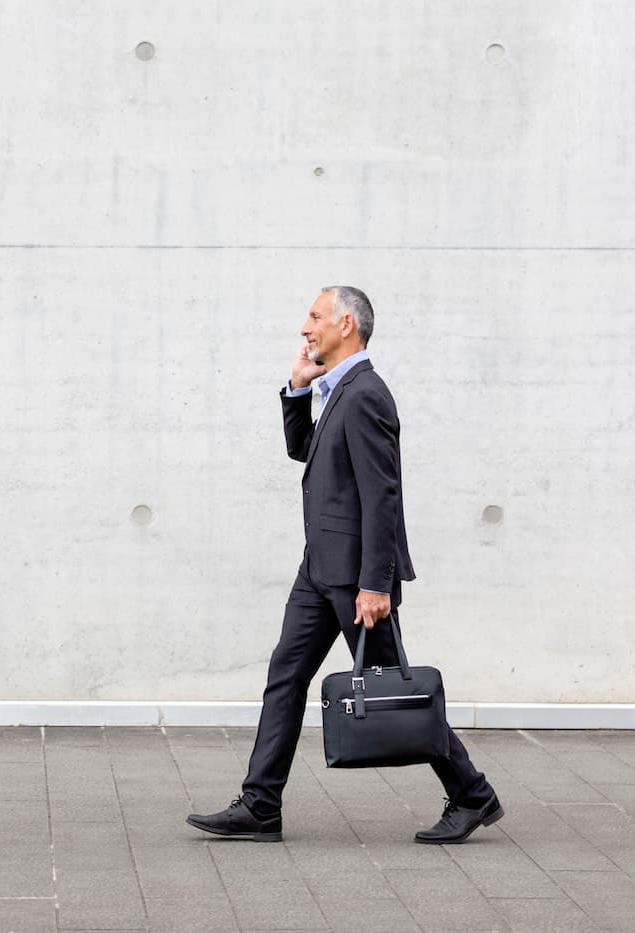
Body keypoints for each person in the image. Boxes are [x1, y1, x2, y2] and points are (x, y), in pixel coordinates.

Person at [186, 286, 502, 845]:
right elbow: (303, 451)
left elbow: (384, 496)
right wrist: (296, 391)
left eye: (314, 317)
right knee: (284, 677)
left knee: (399, 690)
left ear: (347, 324)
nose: (305, 328)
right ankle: (260, 805)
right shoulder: (338, 389)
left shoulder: (366, 394)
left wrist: (375, 583)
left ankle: (472, 793)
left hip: (356, 577)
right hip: (319, 569)